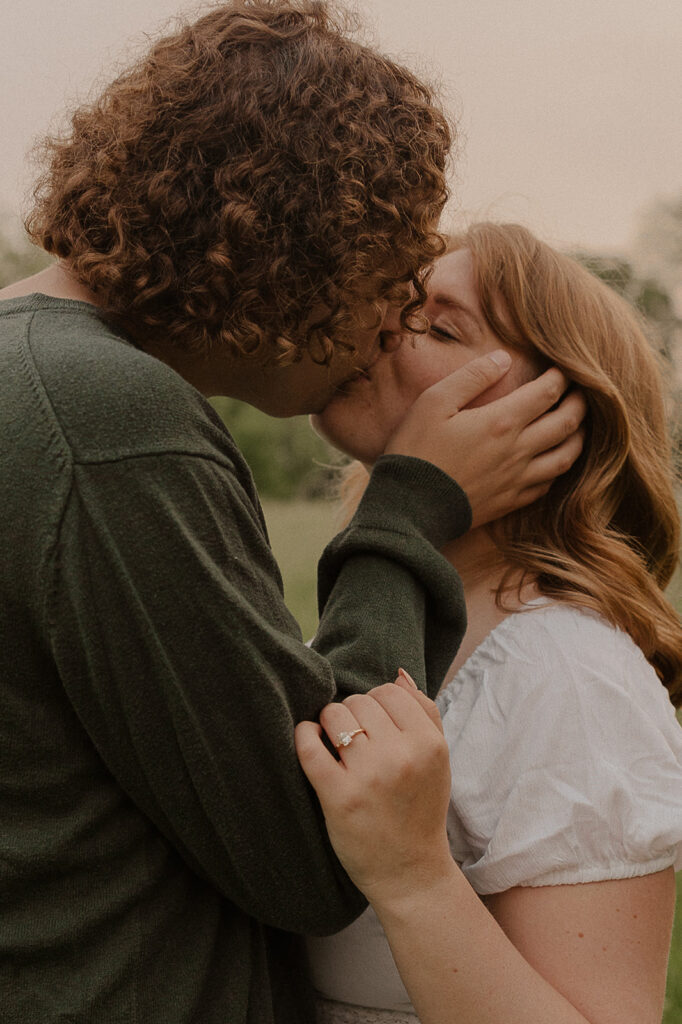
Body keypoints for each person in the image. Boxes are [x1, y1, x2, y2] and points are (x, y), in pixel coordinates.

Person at [0, 6, 586, 1023]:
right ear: (298, 246)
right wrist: (410, 506)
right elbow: (313, 854)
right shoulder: (108, 421)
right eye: (391, 278)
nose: (387, 325)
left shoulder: (30, 369)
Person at [298, 222, 682, 1024]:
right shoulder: (378, 615)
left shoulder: (568, 675)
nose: (378, 328)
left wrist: (413, 876)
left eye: (439, 327)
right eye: (393, 301)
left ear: (555, 423)